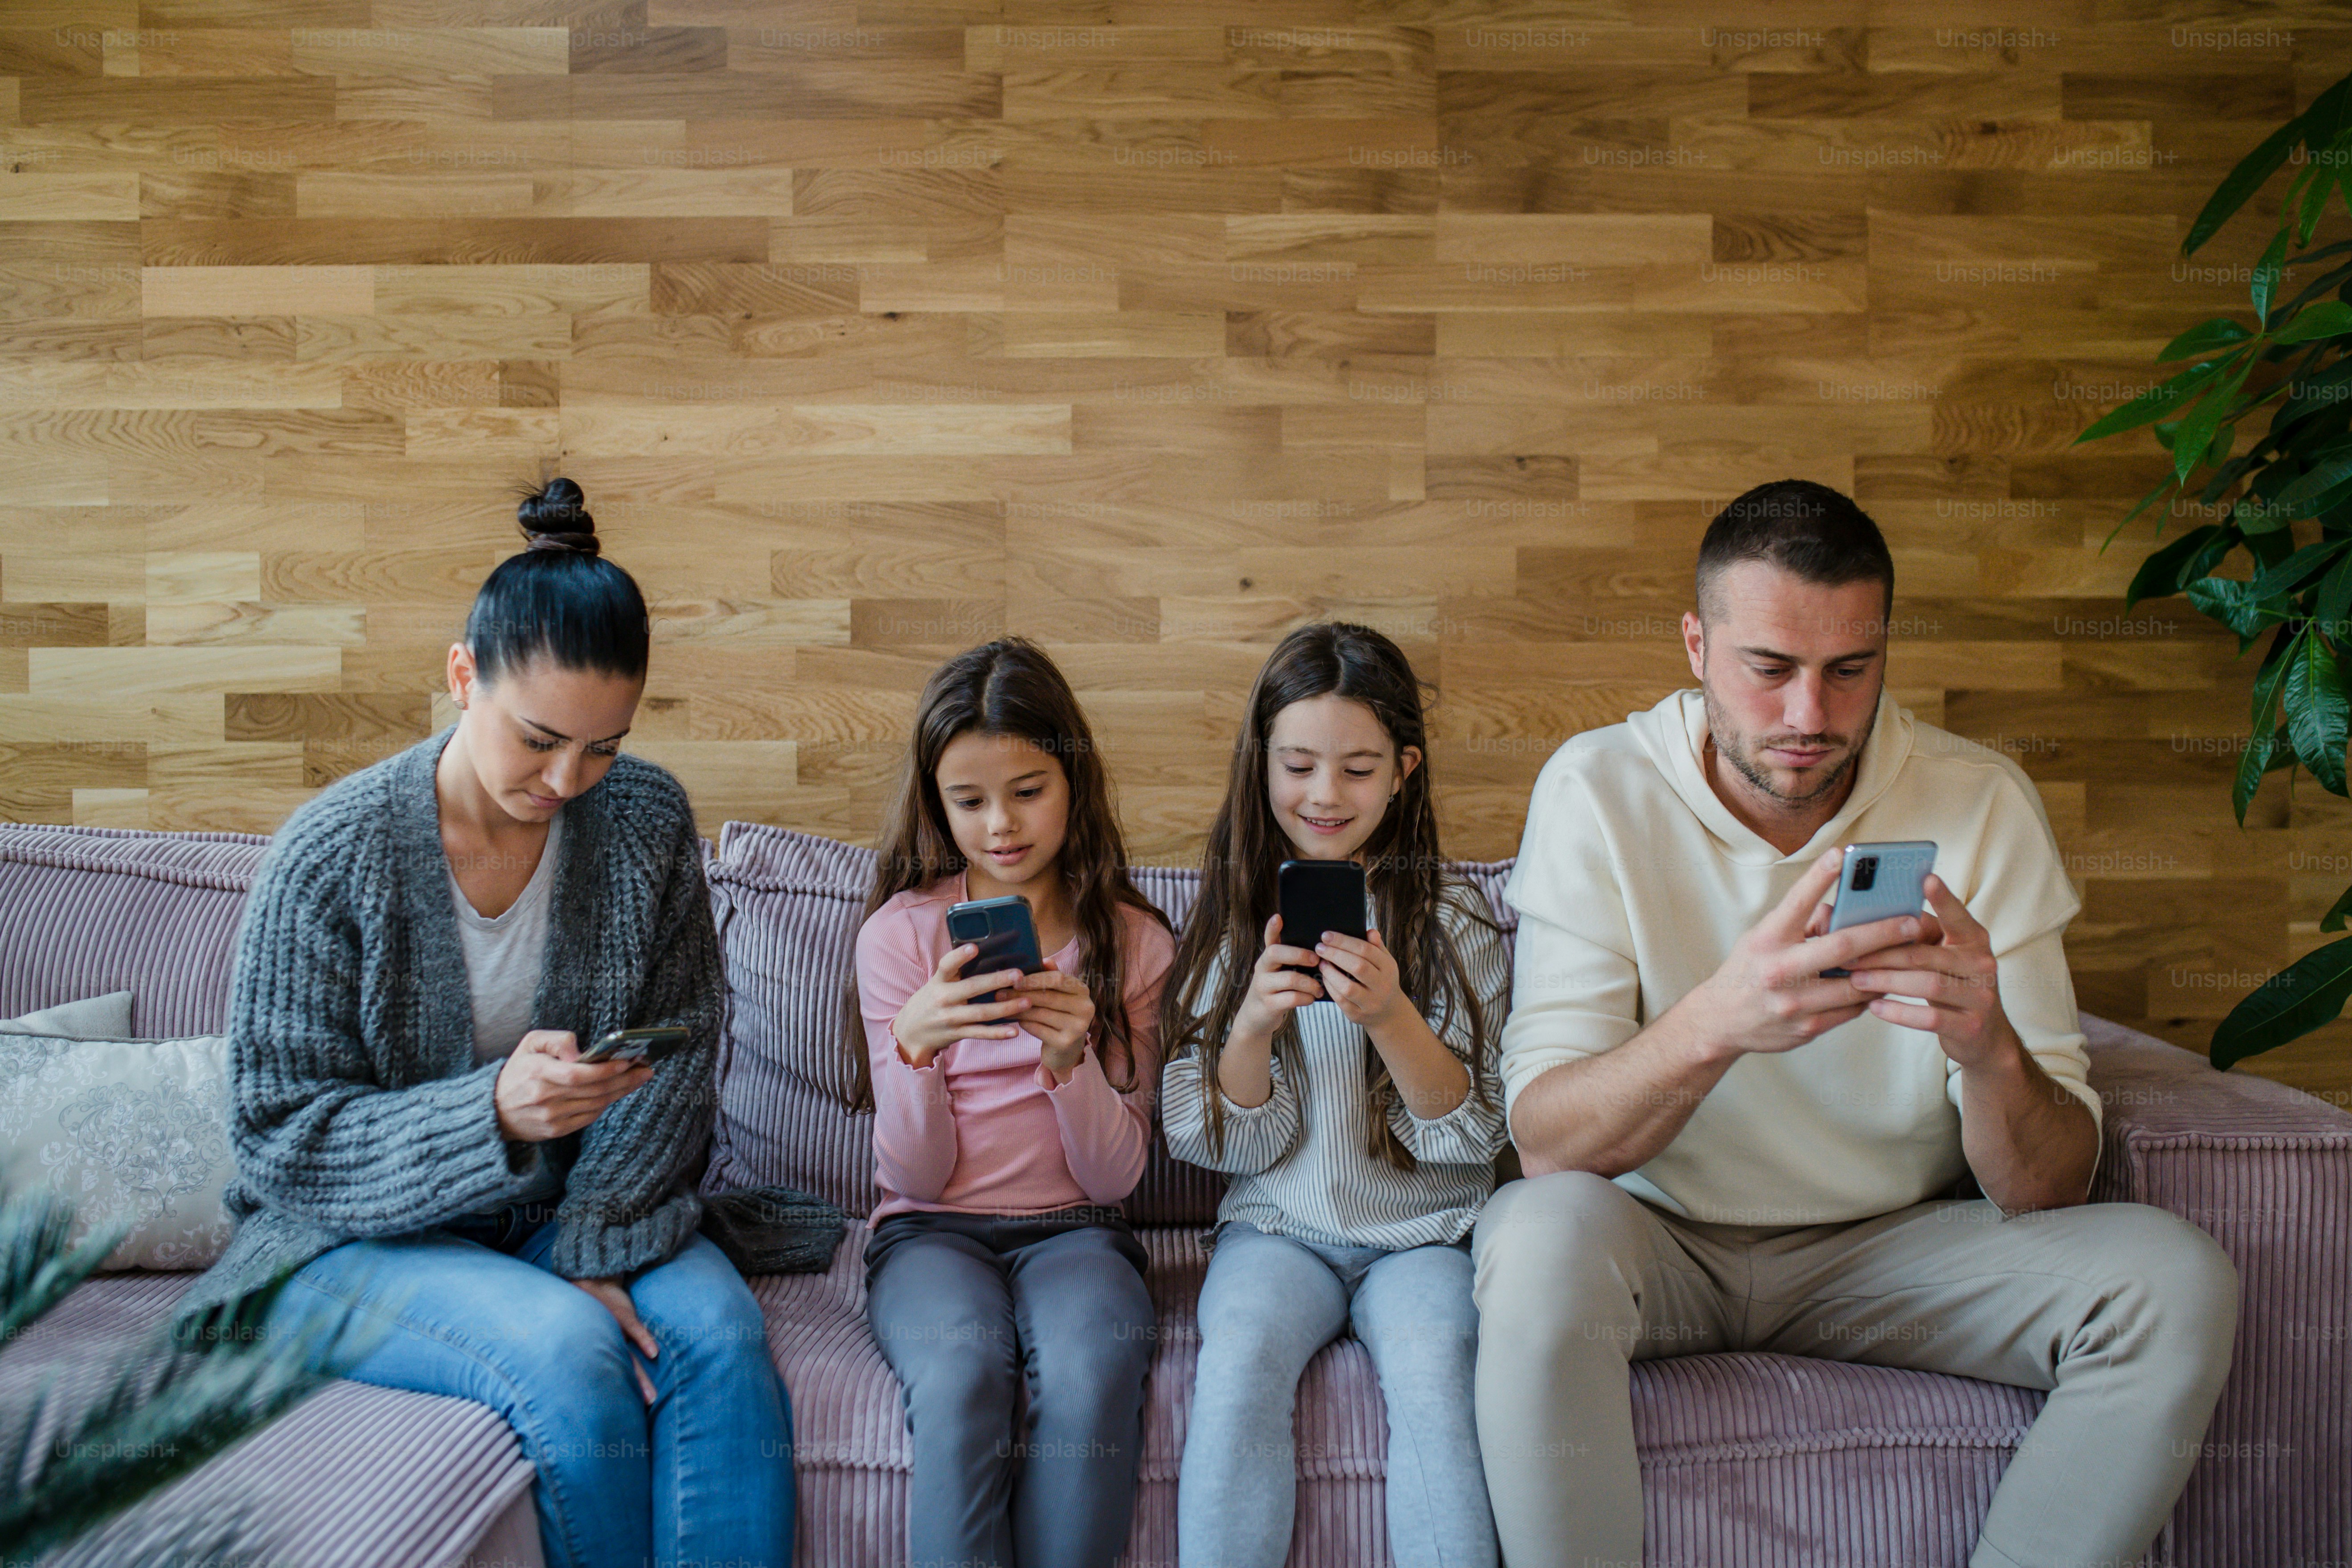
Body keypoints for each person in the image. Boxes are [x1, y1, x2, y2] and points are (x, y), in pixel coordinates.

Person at [1473, 479, 2240, 1568]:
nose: (1809, 718)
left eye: (1850, 670)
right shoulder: (1597, 788)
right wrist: (1719, 1023)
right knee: (1536, 1235)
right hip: (1654, 1244)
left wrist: (1989, 1054)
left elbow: (2049, 1190)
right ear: (1696, 645)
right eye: (1768, 669)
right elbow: (1547, 1142)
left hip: (1887, 1252)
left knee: (2173, 1277)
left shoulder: (1980, 802)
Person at [171, 478, 796, 1568]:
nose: (568, 780)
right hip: (341, 1241)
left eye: (603, 746)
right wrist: (491, 1115)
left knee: (724, 1341)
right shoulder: (333, 855)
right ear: (464, 676)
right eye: (541, 738)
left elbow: (679, 1055)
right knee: (566, 1347)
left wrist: (599, 1233)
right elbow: (280, 1139)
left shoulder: (643, 819)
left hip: (568, 1211)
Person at [1162, 622, 1509, 1568]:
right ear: (1261, 763)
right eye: (1299, 765)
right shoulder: (1234, 923)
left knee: (1437, 1376)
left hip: (1422, 1234)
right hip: (1280, 1228)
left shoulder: (1452, 919)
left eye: (1357, 770)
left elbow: (1476, 1133)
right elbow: (1213, 1141)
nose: (1323, 796)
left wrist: (1393, 1016)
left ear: (1403, 772)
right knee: (1234, 1362)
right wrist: (1251, 1028)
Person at [848, 636, 1177, 1568]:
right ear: (935, 803)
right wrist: (913, 1051)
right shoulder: (900, 939)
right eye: (970, 801)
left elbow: (1117, 1178)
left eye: (1028, 791)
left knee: (1094, 1363)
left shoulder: (1134, 945)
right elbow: (912, 1173)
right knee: (959, 1378)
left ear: (1073, 783)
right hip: (928, 1229)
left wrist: (1071, 1061)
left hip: (1078, 1228)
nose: (1001, 825)